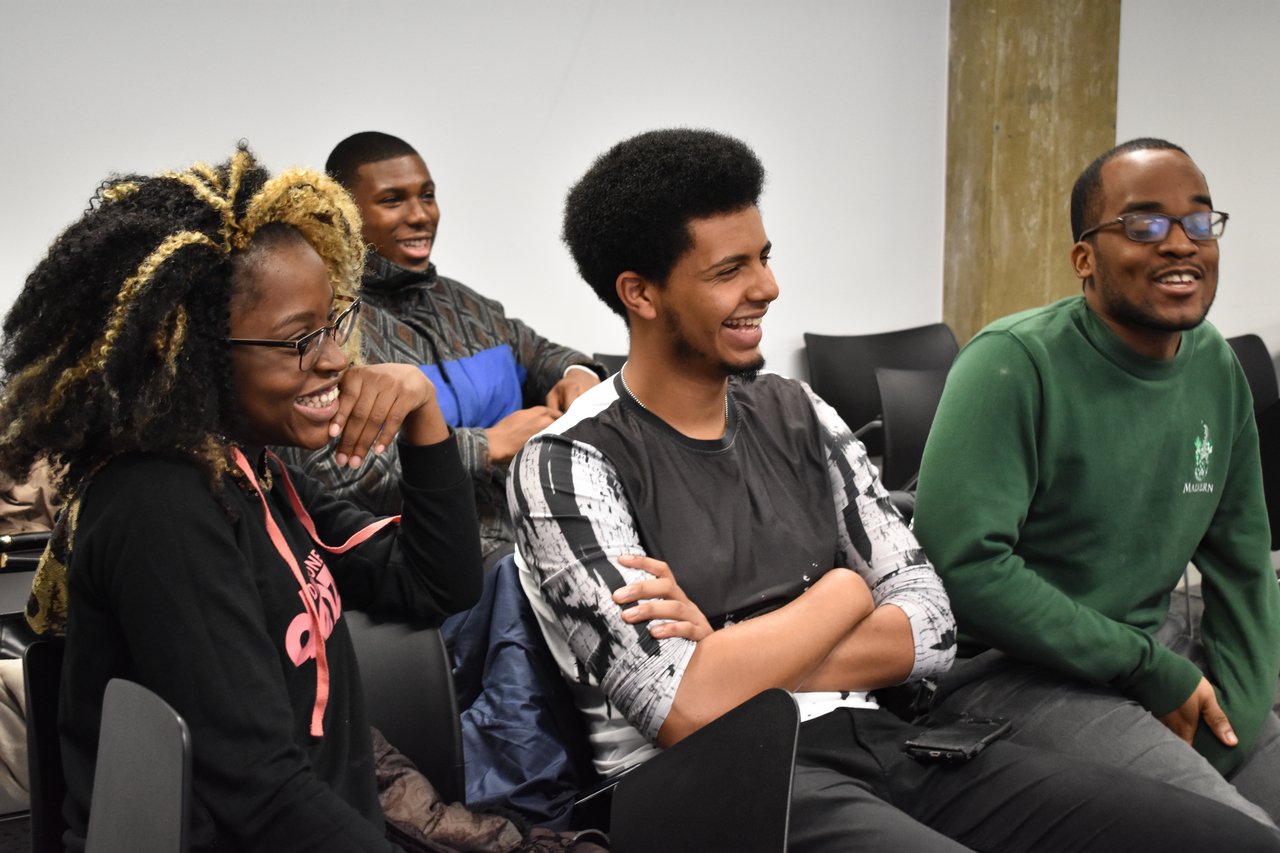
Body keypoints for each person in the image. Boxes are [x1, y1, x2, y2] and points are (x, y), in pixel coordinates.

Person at [506, 127, 1280, 851]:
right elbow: (684, 708)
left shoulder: (796, 410)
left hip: (884, 739)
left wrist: (725, 644)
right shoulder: (567, 461)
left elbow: (932, 625)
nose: (768, 287)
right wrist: (847, 594)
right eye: (729, 270)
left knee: (1229, 839)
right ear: (640, 294)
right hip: (709, 781)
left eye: (765, 257)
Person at [0, 147, 486, 852]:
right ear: (196, 350)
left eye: (334, 324)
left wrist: (424, 414)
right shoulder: (157, 506)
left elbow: (439, 581)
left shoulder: (254, 473)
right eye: (297, 339)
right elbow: (259, 792)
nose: (332, 359)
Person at [913, 137, 1280, 826]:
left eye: (1199, 222)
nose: (1181, 243)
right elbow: (963, 568)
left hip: (1147, 650)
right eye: (1143, 224)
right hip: (1009, 674)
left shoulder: (1215, 366)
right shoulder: (1012, 364)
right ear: (1085, 257)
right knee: (1236, 835)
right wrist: (1148, 666)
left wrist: (1237, 708)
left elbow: (1241, 561)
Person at [279, 132, 604, 567]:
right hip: (426, 569)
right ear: (343, 218)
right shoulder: (328, 327)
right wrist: (483, 447)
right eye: (393, 200)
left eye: (427, 195)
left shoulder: (469, 307)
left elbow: (543, 354)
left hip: (537, 541)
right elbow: (329, 475)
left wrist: (578, 374)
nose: (420, 215)